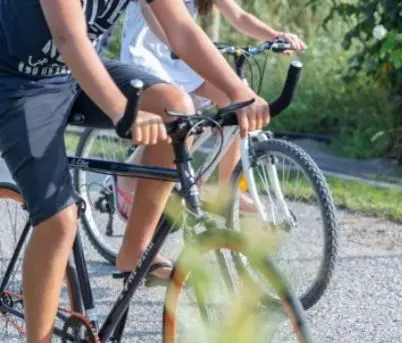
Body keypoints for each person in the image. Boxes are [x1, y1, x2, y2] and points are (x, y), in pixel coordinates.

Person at [0, 0, 271, 343]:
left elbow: (181, 28)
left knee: (175, 107)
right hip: (16, 82)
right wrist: (123, 113)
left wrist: (237, 91)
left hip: (75, 74)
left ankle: (133, 253)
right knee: (60, 220)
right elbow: (68, 37)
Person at [115, 0, 306, 225]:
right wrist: (194, 49)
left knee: (234, 101)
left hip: (184, 55)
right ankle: (126, 177)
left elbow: (239, 16)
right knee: (182, 121)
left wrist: (274, 35)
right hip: (147, 56)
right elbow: (159, 20)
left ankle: (227, 191)